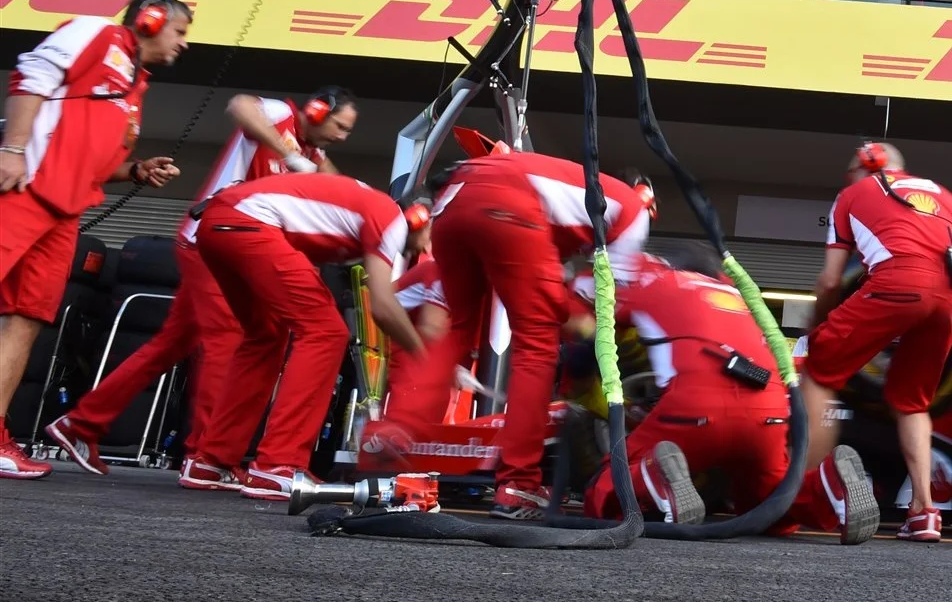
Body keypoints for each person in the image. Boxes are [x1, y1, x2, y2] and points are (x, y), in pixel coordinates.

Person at [45, 86, 359, 487]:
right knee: (229, 339)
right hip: (211, 242)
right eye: (340, 125)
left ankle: (81, 424)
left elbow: (340, 189)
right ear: (316, 111)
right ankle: (205, 455)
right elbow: (240, 105)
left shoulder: (314, 156)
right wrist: (291, 154)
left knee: (171, 344)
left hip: (231, 249)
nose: (343, 136)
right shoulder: (280, 115)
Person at [382, 150, 656, 520]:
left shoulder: (578, 195)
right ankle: (519, 485)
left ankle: (396, 454)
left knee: (454, 331)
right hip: (509, 201)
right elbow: (606, 310)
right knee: (537, 343)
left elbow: (552, 279)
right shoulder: (633, 214)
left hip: (452, 202)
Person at [0, 0, 189, 481]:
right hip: (22, 189)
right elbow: (32, 76)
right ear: (150, 21)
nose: (183, 44)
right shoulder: (96, 33)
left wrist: (136, 171)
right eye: (180, 31)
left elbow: (92, 156)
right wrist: (13, 149)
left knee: (26, 321)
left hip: (63, 213)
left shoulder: (133, 82)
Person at [575, 246, 880, 543]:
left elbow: (587, 304)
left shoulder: (656, 281)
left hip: (697, 406)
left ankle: (652, 477)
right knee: (768, 504)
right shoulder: (741, 298)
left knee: (604, 486)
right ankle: (830, 487)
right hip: (768, 409)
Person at [802, 142, 952, 543]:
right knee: (912, 402)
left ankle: (804, 489)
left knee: (820, 371)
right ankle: (924, 511)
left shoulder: (851, 195)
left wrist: (817, 329)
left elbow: (830, 281)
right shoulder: (947, 196)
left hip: (896, 283)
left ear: (863, 169)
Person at [184, 171, 427, 498]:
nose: (431, 246)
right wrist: (426, 358)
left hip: (217, 223)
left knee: (265, 336)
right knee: (325, 333)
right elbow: (382, 305)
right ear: (420, 217)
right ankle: (277, 464)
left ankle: (211, 460)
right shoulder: (392, 221)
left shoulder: (365, 211)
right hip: (251, 223)